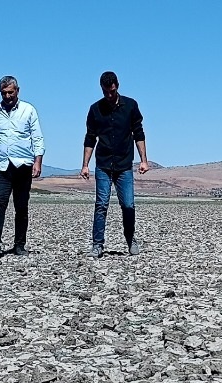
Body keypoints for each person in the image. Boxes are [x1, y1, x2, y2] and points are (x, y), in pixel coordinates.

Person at [79, 71, 148, 258]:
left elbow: (139, 134)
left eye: (112, 91)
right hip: (103, 164)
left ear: (117, 86)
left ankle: (130, 239)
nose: (109, 95)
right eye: (105, 92)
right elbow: (90, 138)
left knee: (128, 205)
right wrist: (85, 164)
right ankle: (97, 244)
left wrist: (143, 160)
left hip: (124, 165)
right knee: (101, 204)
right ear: (101, 89)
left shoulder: (131, 106)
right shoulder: (95, 109)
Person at [0, 76, 45, 257]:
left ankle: (19, 244)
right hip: (1, 165)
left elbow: (37, 137)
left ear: (18, 90)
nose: (7, 96)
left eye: (10, 92)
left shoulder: (28, 110)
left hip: (22, 165)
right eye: (4, 93)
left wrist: (38, 160)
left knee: (21, 206)